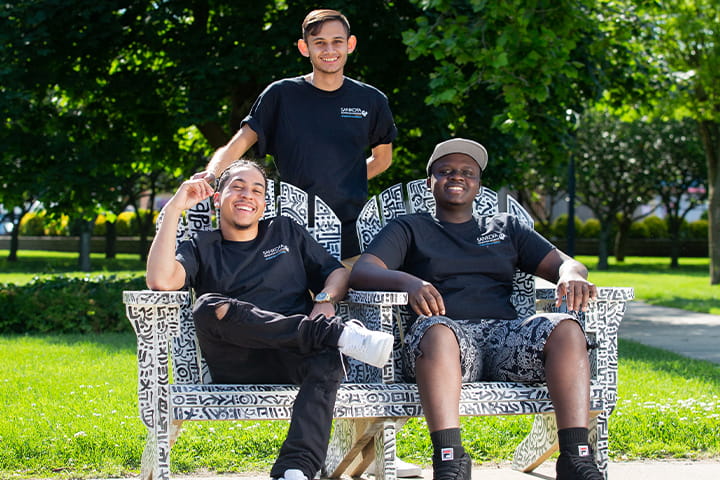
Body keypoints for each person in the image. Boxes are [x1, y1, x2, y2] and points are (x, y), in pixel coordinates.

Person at [348, 138, 603, 480]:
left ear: (478, 185)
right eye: (446, 171)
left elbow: (566, 264)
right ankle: (451, 461)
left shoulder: (506, 228)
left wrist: (570, 275)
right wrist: (409, 283)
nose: (457, 177)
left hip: (504, 340)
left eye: (467, 172)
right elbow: (364, 272)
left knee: (568, 329)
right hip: (444, 341)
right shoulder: (409, 228)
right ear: (430, 182)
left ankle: (576, 458)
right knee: (437, 330)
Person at [146, 160, 394, 480]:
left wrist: (324, 299)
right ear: (218, 198)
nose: (247, 194)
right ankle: (331, 334)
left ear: (264, 204)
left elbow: (335, 273)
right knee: (208, 306)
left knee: (327, 360)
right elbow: (160, 281)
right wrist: (173, 209)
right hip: (236, 360)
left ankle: (296, 469)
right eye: (236, 187)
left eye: (256, 190)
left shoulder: (285, 231)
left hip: (293, 356)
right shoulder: (201, 247)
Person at [196, 8, 397, 262]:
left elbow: (383, 159)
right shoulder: (281, 95)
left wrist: (344, 179)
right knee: (295, 301)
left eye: (337, 42)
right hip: (290, 232)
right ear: (305, 47)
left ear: (351, 44)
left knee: (345, 298)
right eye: (319, 43)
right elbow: (239, 143)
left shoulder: (371, 100)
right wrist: (211, 175)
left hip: (351, 234)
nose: (329, 50)